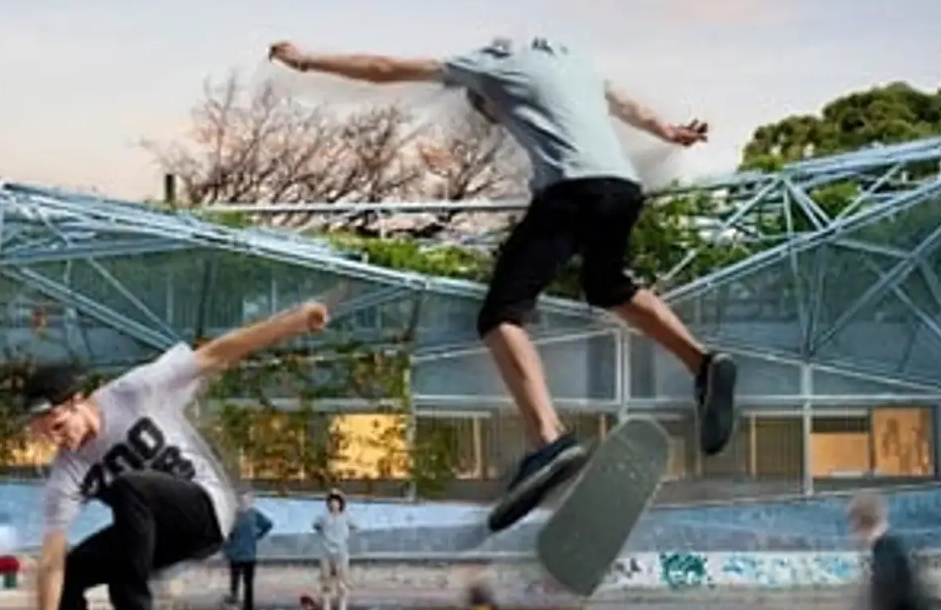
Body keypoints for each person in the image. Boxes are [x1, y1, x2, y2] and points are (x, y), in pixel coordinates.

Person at [267, 37, 737, 531]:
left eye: (491, 112)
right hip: (622, 190)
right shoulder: (575, 62)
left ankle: (549, 438)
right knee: (607, 284)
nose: (495, 120)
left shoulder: (488, 67)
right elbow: (625, 105)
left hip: (572, 191)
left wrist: (309, 60)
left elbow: (385, 66)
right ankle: (702, 362)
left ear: (487, 93)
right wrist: (668, 130)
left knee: (501, 313)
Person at [20, 299, 330, 610]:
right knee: (72, 572)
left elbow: (219, 352)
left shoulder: (136, 391)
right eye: (46, 438)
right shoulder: (66, 474)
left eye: (57, 428)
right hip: (148, 539)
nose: (60, 444)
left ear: (75, 402)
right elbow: (50, 562)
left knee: (129, 486)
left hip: (204, 512)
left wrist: (294, 323)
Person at [223, 494, 273, 610]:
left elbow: (268, 524)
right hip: (235, 555)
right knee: (234, 584)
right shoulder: (233, 516)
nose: (243, 502)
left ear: (250, 501)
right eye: (241, 499)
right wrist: (227, 548)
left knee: (248, 585)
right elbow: (226, 533)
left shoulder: (254, 514)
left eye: (246, 499)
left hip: (249, 555)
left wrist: (257, 535)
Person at [313, 490, 355, 610]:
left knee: (342, 585)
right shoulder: (323, 517)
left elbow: (355, 526)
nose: (334, 504)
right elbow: (315, 525)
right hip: (326, 553)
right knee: (326, 584)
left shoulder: (346, 517)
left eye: (336, 501)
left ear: (341, 503)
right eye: (331, 501)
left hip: (341, 554)